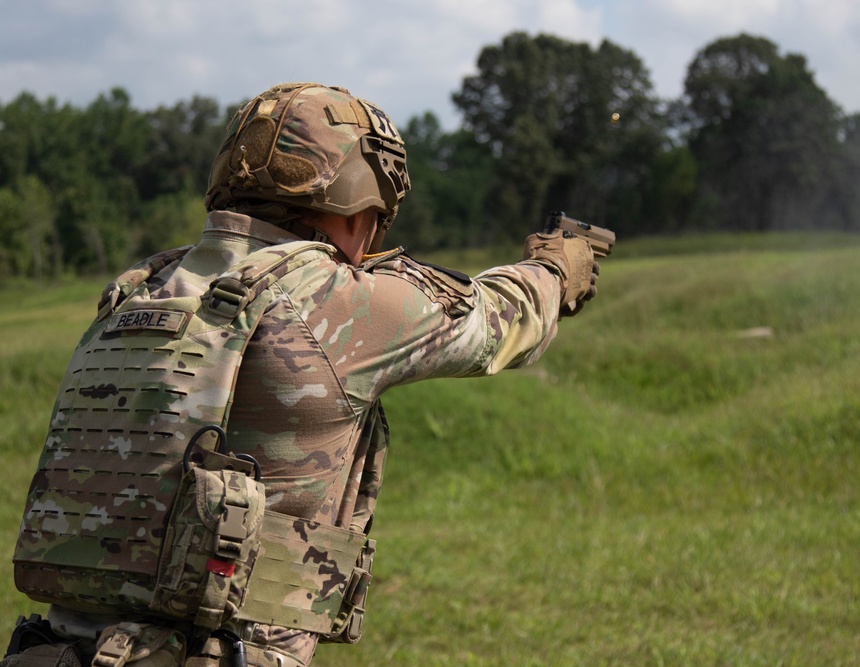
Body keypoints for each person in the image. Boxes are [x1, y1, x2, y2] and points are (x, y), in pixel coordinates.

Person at [6, 83, 600, 667]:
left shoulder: (141, 288)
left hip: (59, 652)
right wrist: (554, 267)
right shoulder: (326, 299)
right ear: (356, 199)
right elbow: (500, 322)